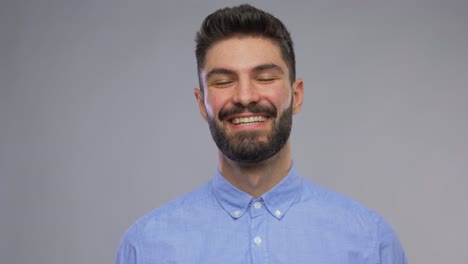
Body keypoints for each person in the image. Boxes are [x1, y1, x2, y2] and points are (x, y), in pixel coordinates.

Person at [116, 4, 407, 263]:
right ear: (201, 103)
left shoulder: (370, 242)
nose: (245, 96)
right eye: (223, 81)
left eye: (265, 77)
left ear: (297, 95)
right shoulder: (145, 248)